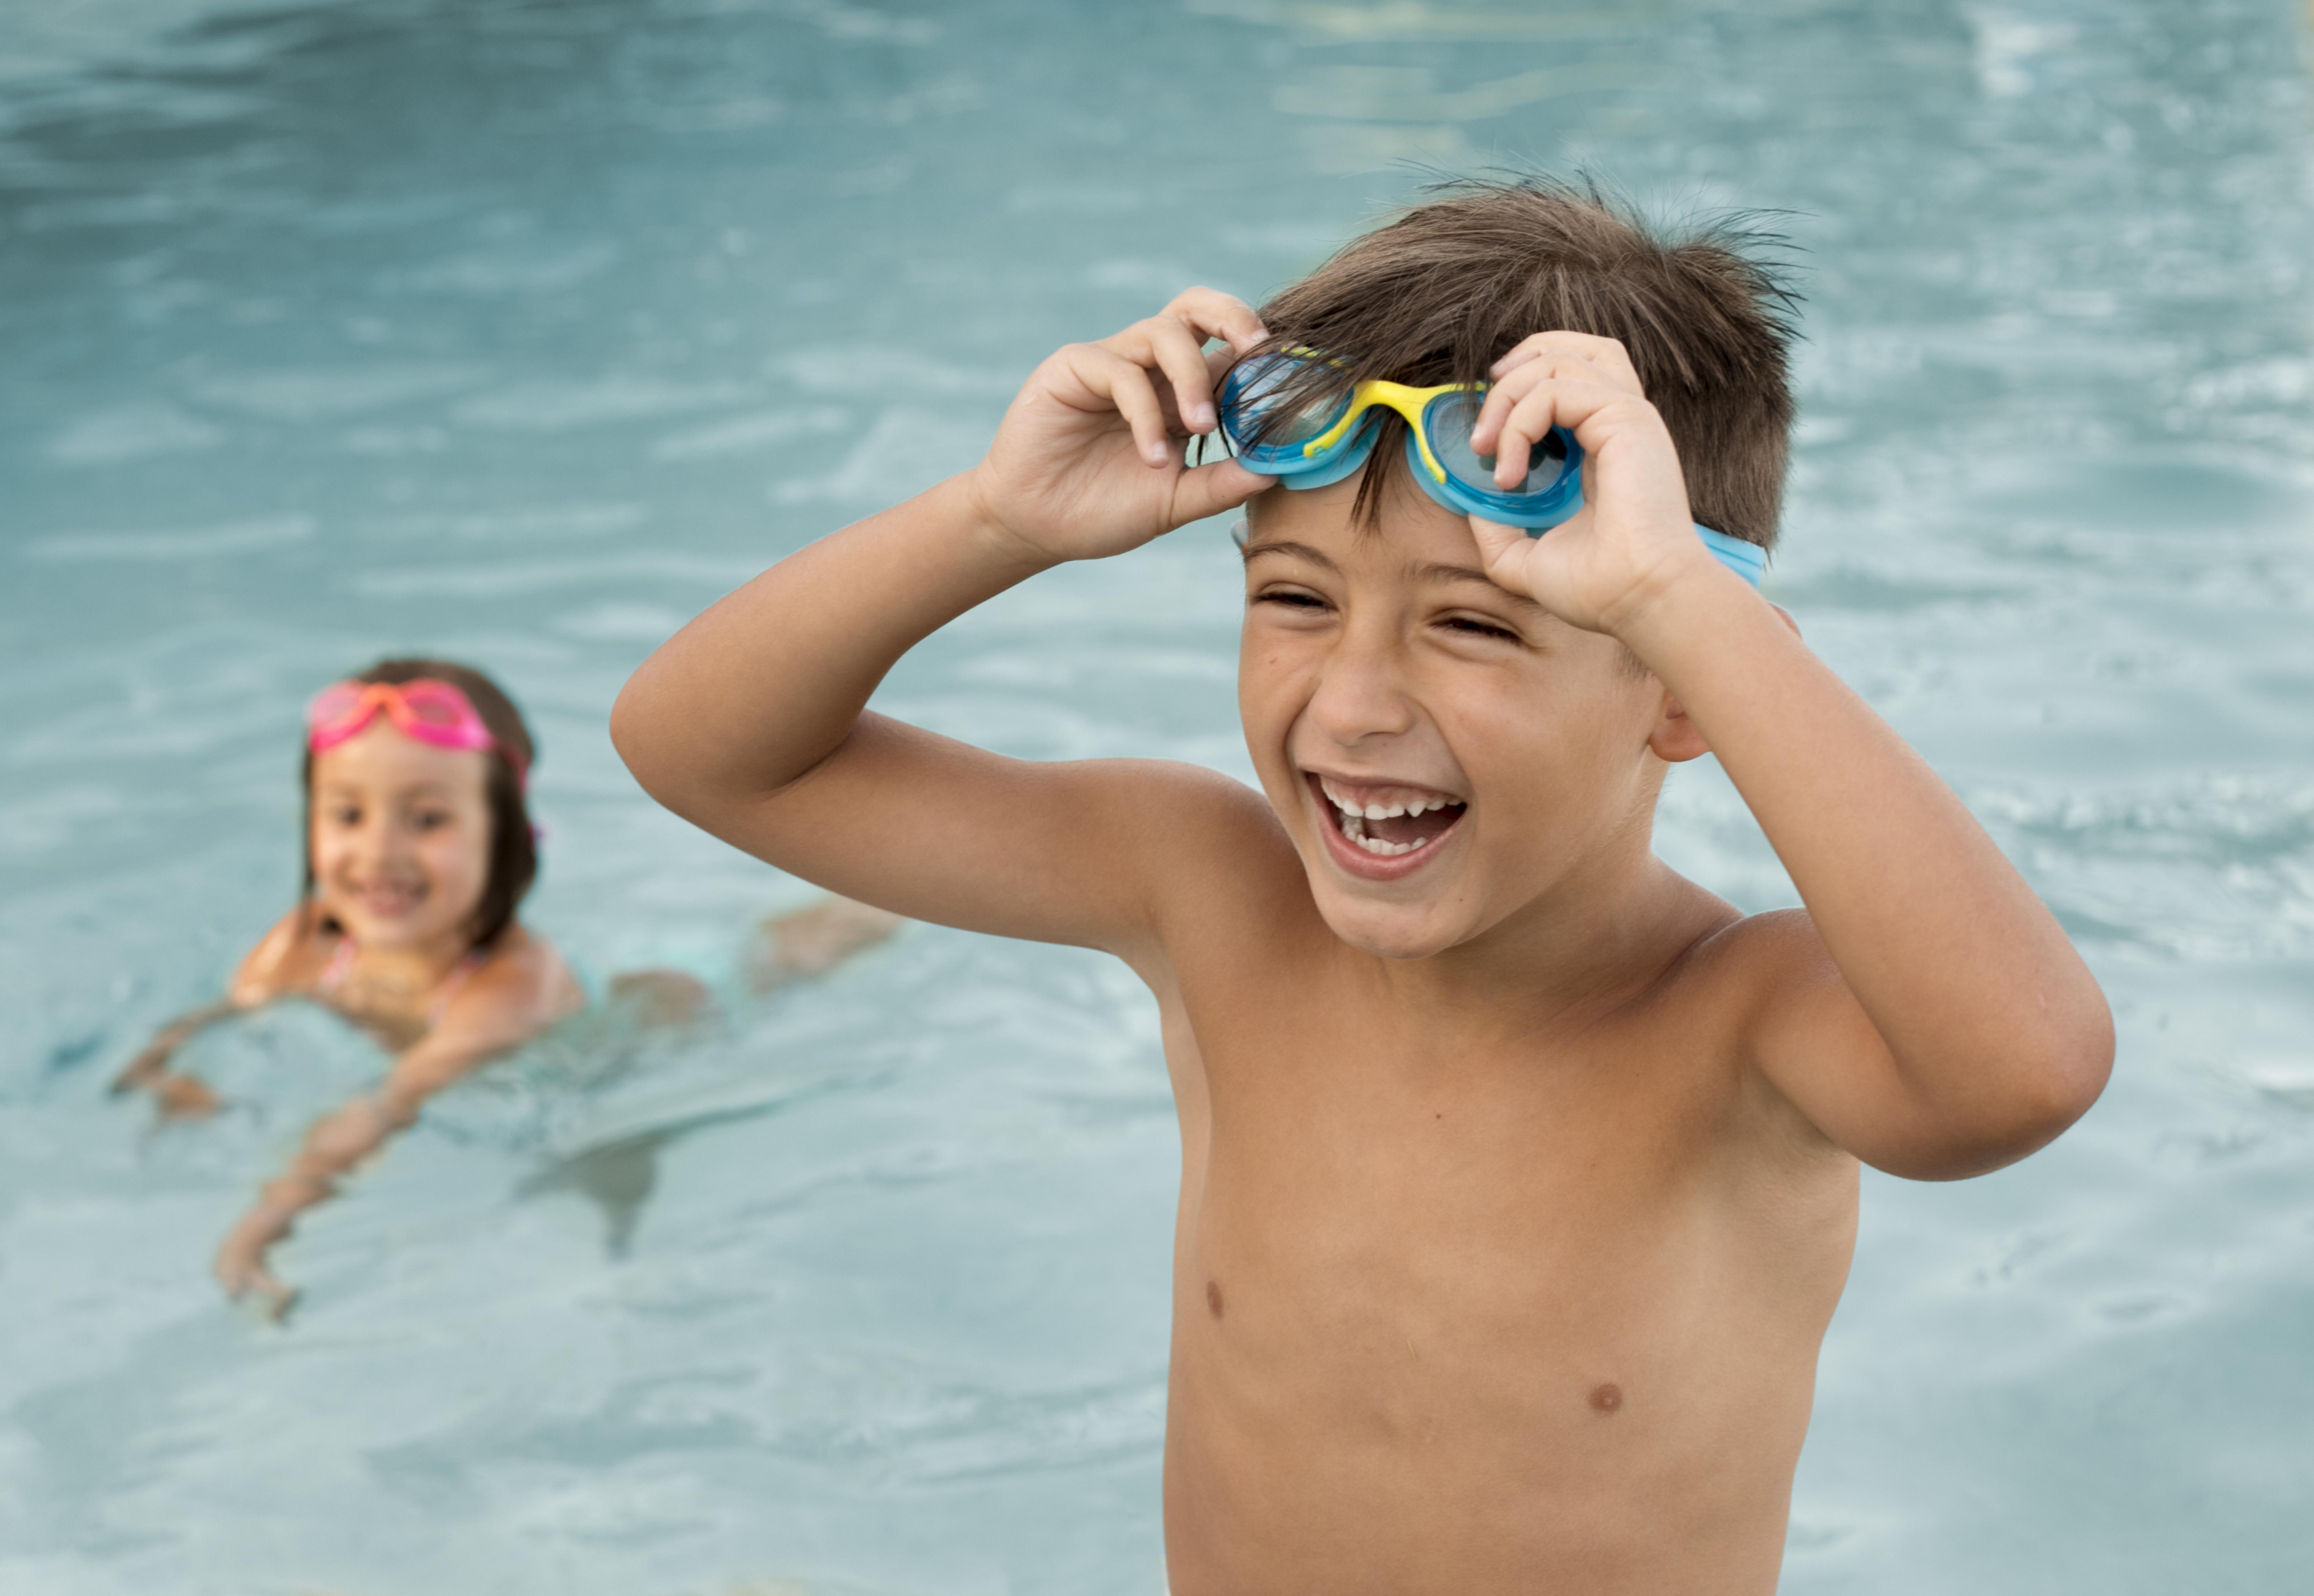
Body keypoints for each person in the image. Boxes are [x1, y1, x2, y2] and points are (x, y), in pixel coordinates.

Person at [610, 177, 2111, 1593]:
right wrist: (994, 521)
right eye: (1294, 600)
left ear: (1679, 690)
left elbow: (2023, 1072)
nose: (1351, 706)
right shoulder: (1207, 899)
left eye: (1472, 625)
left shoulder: (1739, 1028)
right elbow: (708, 753)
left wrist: (1673, 594)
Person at [114, 657, 898, 1317]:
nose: (378, 851)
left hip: (679, 1002)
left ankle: (896, 883)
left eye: (426, 819)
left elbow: (388, 1105)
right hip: (606, 976)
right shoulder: (308, 938)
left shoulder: (505, 990)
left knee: (797, 948)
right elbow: (219, 1012)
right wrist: (168, 1075)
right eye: (347, 813)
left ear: (507, 836)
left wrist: (264, 1221)